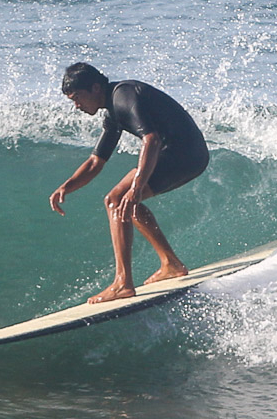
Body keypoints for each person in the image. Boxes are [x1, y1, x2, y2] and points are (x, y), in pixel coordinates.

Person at [48, 63, 210, 303]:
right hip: (188, 154)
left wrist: (136, 188)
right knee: (123, 202)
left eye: (78, 98)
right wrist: (66, 186)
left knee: (116, 200)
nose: (77, 106)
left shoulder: (123, 96)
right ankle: (171, 263)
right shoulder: (113, 111)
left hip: (183, 153)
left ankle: (123, 283)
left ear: (94, 88)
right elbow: (96, 162)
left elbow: (151, 140)